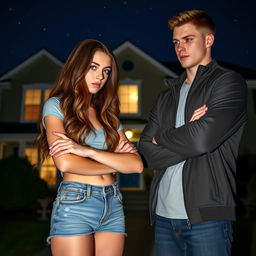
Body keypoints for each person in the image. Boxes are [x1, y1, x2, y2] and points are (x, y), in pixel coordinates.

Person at [138, 10, 247, 256]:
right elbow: (146, 153)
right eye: (176, 42)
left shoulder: (228, 83)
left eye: (188, 39)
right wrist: (188, 133)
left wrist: (163, 137)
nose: (180, 48)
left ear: (209, 40)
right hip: (163, 218)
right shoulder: (167, 95)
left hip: (208, 219)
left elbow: (202, 140)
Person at [36, 39, 143, 256]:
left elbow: (136, 165)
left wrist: (89, 151)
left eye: (106, 71)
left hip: (112, 203)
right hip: (76, 202)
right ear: (78, 66)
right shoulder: (57, 105)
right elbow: (65, 162)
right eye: (93, 67)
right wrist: (114, 162)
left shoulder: (108, 115)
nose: (100, 77)